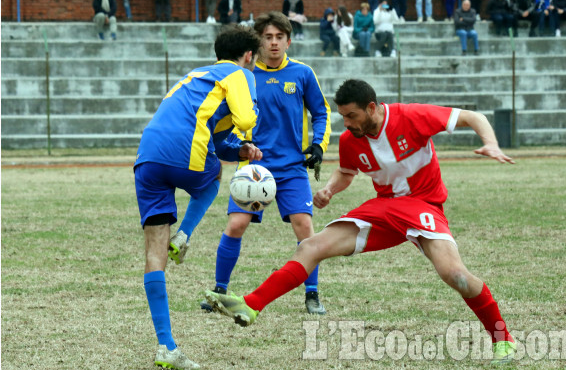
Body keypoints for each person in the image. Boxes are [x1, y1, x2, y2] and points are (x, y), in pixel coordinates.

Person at [205, 79, 518, 366]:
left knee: (456, 275)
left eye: (352, 116)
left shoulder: (411, 116)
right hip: (384, 209)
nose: (347, 124)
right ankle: (251, 305)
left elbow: (472, 117)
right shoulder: (351, 139)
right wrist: (329, 188)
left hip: (424, 206)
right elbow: (346, 172)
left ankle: (503, 339)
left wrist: (490, 143)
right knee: (312, 245)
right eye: (343, 116)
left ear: (372, 107)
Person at [135, 25, 262, 370]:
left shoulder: (198, 75)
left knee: (153, 253)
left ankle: (166, 347)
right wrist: (253, 128)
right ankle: (185, 234)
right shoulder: (239, 73)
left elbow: (221, 141)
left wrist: (240, 149)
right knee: (213, 177)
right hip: (183, 151)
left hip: (147, 156)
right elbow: (246, 117)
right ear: (248, 55)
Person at [202, 11, 332, 316]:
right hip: (255, 169)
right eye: (267, 37)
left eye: (279, 37)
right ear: (258, 43)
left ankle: (312, 294)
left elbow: (322, 112)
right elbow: (228, 121)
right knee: (236, 225)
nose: (273, 43)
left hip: (291, 169)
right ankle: (220, 291)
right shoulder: (243, 77)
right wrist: (238, 149)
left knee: (305, 228)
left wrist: (318, 145)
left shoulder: (302, 74)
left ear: (288, 41)